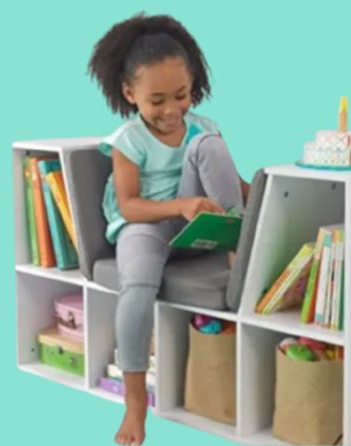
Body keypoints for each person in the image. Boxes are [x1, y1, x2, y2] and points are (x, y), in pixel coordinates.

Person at [87, 12, 250, 446]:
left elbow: (230, 183)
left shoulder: (202, 130)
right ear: (130, 94)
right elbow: (129, 205)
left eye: (182, 95)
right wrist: (182, 205)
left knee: (209, 144)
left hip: (198, 228)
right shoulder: (129, 139)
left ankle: (240, 247)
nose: (172, 110)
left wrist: (265, 191)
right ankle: (136, 400)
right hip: (145, 225)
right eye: (157, 100)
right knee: (137, 285)